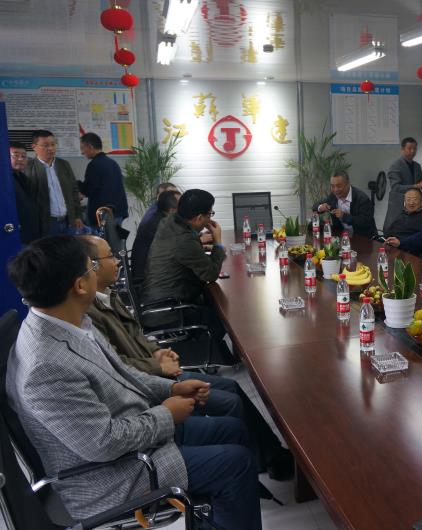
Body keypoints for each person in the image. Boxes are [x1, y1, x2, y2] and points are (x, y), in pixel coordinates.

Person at [6, 236, 262, 529]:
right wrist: (167, 414)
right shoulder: (45, 366)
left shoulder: (71, 322)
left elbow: (124, 374)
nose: (100, 270)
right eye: (91, 267)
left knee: (233, 429)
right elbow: (103, 443)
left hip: (135, 436)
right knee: (236, 464)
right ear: (80, 285)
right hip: (112, 475)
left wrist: (171, 388)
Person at [83, 235, 293, 479]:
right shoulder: (90, 313)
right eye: (111, 256)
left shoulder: (107, 294)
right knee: (230, 401)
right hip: (147, 377)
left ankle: (270, 453)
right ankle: (259, 461)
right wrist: (158, 365)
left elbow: (136, 335)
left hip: (152, 365)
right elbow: (117, 364)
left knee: (232, 386)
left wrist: (157, 350)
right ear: (91, 267)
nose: (118, 261)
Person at [140, 189, 226, 329]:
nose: (210, 219)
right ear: (199, 218)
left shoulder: (169, 221)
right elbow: (211, 274)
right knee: (222, 317)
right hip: (168, 312)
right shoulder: (184, 241)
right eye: (210, 214)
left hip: (155, 301)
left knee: (213, 303)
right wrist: (218, 242)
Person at [26, 129, 82, 236]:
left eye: (53, 144)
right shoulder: (29, 168)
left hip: (69, 221)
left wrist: (77, 215)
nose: (51, 148)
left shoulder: (64, 165)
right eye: (45, 145)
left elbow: (74, 191)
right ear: (34, 147)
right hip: (47, 224)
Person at [78, 132, 129, 228]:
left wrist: (75, 183)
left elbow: (88, 190)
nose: (82, 152)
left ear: (90, 147)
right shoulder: (112, 163)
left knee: (100, 238)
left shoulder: (94, 165)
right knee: (115, 238)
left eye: (83, 148)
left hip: (103, 216)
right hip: (118, 212)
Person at [131, 189, 180, 287]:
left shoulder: (158, 216)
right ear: (172, 210)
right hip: (148, 281)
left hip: (150, 274)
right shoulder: (159, 224)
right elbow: (177, 251)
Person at [384, 137, 422, 231]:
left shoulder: (417, 166)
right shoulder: (395, 166)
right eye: (409, 148)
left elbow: (421, 181)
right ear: (402, 149)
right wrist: (416, 186)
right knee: (397, 231)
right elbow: (395, 187)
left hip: (416, 206)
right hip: (400, 206)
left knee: (415, 229)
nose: (412, 151)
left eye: (414, 148)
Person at [312, 170, 377, 237]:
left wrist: (344, 216)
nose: (335, 190)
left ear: (348, 184)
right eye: (332, 186)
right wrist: (321, 207)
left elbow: (366, 222)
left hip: (364, 238)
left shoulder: (362, 199)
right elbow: (315, 206)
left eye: (339, 186)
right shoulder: (333, 196)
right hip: (342, 236)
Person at [9, 141, 42, 243]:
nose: (20, 159)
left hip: (29, 233)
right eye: (15, 155)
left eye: (24, 156)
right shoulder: (4, 181)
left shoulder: (23, 178)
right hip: (14, 235)